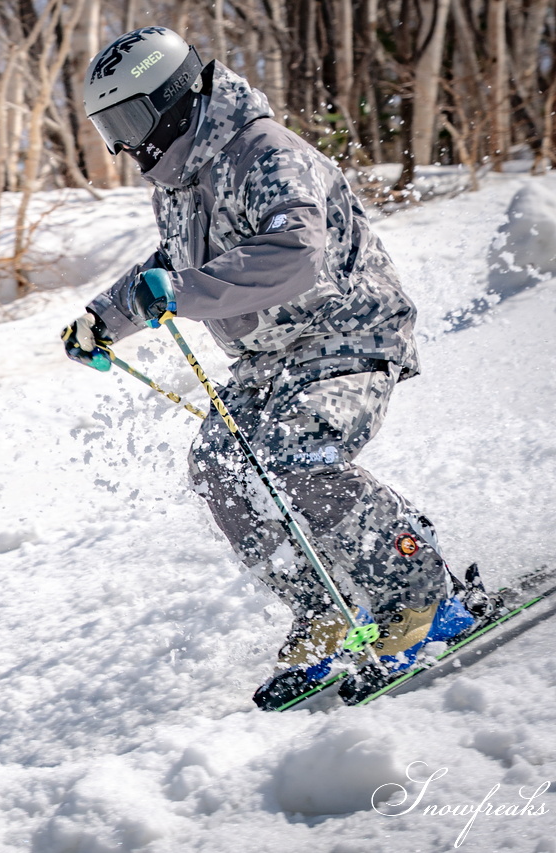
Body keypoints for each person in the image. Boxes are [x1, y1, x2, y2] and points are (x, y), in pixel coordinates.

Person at [61, 26, 485, 708]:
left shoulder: (263, 151)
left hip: (347, 332)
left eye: (132, 119)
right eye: (112, 126)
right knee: (219, 465)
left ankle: (425, 595)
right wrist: (106, 317)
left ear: (174, 98)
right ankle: (326, 612)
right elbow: (174, 264)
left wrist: (185, 293)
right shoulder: (180, 181)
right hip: (273, 355)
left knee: (295, 452)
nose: (127, 143)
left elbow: (293, 250)